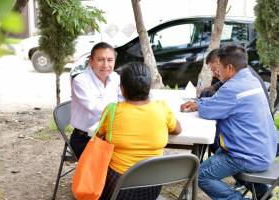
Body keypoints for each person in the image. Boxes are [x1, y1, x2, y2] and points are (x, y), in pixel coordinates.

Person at [181, 44, 277, 200]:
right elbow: (217, 103)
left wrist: (199, 105)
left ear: (230, 68)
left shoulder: (233, 87)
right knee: (219, 153)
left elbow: (210, 110)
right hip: (263, 150)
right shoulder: (250, 79)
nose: (217, 72)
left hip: (247, 156)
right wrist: (201, 104)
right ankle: (261, 193)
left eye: (219, 67)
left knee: (200, 175)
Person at [97, 62, 182, 200]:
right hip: (153, 183)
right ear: (149, 88)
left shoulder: (112, 110)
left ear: (122, 89)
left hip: (118, 183)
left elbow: (98, 137)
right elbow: (177, 129)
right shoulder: (162, 108)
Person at [70, 42, 122, 158]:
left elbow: (125, 101)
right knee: (116, 163)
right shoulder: (80, 81)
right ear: (91, 61)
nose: (106, 65)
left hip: (110, 134)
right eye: (100, 60)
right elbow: (97, 109)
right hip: (85, 139)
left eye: (110, 60)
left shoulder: (115, 78)